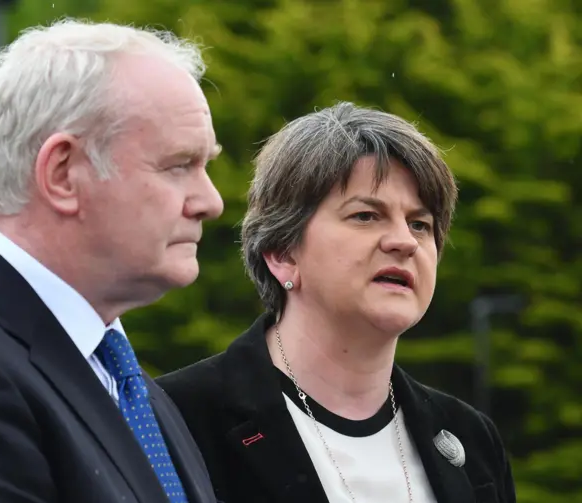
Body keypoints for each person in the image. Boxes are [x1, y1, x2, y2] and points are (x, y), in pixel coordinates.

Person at [157, 102, 516, 503]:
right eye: (365, 216)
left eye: (420, 224)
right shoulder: (177, 420)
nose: (404, 241)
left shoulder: (472, 440)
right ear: (281, 251)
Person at [0, 19, 223, 503]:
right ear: (63, 174)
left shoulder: (120, 376)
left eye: (206, 166)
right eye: (179, 165)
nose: (210, 201)